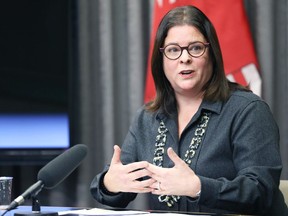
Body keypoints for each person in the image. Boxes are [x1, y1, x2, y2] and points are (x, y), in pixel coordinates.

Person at [90, 5, 287, 215]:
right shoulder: (147, 118)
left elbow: (262, 192)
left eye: (195, 48)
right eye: (173, 50)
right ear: (161, 61)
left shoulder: (247, 110)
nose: (185, 58)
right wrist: (109, 183)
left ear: (212, 55)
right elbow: (117, 192)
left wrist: (198, 187)